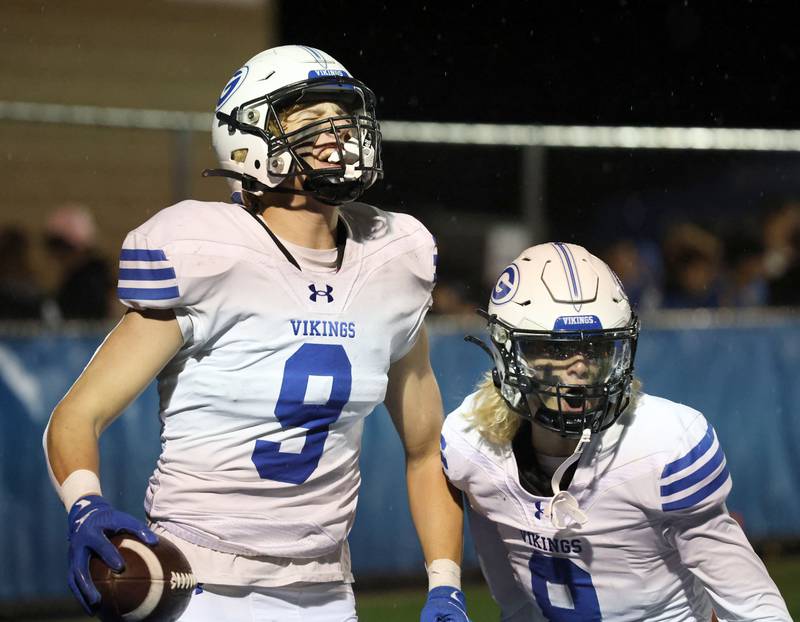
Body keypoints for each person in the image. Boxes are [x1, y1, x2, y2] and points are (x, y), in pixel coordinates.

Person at [44, 45, 468, 622]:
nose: (337, 134)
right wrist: (85, 506)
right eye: (310, 120)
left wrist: (446, 582)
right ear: (249, 142)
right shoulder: (207, 251)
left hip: (327, 589)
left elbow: (424, 450)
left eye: (342, 117)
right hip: (199, 584)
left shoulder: (396, 258)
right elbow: (77, 415)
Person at [440, 242, 791, 620]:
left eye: (595, 348)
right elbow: (513, 601)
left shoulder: (662, 447)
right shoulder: (472, 443)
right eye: (556, 350)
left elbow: (752, 604)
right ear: (507, 351)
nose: (579, 366)